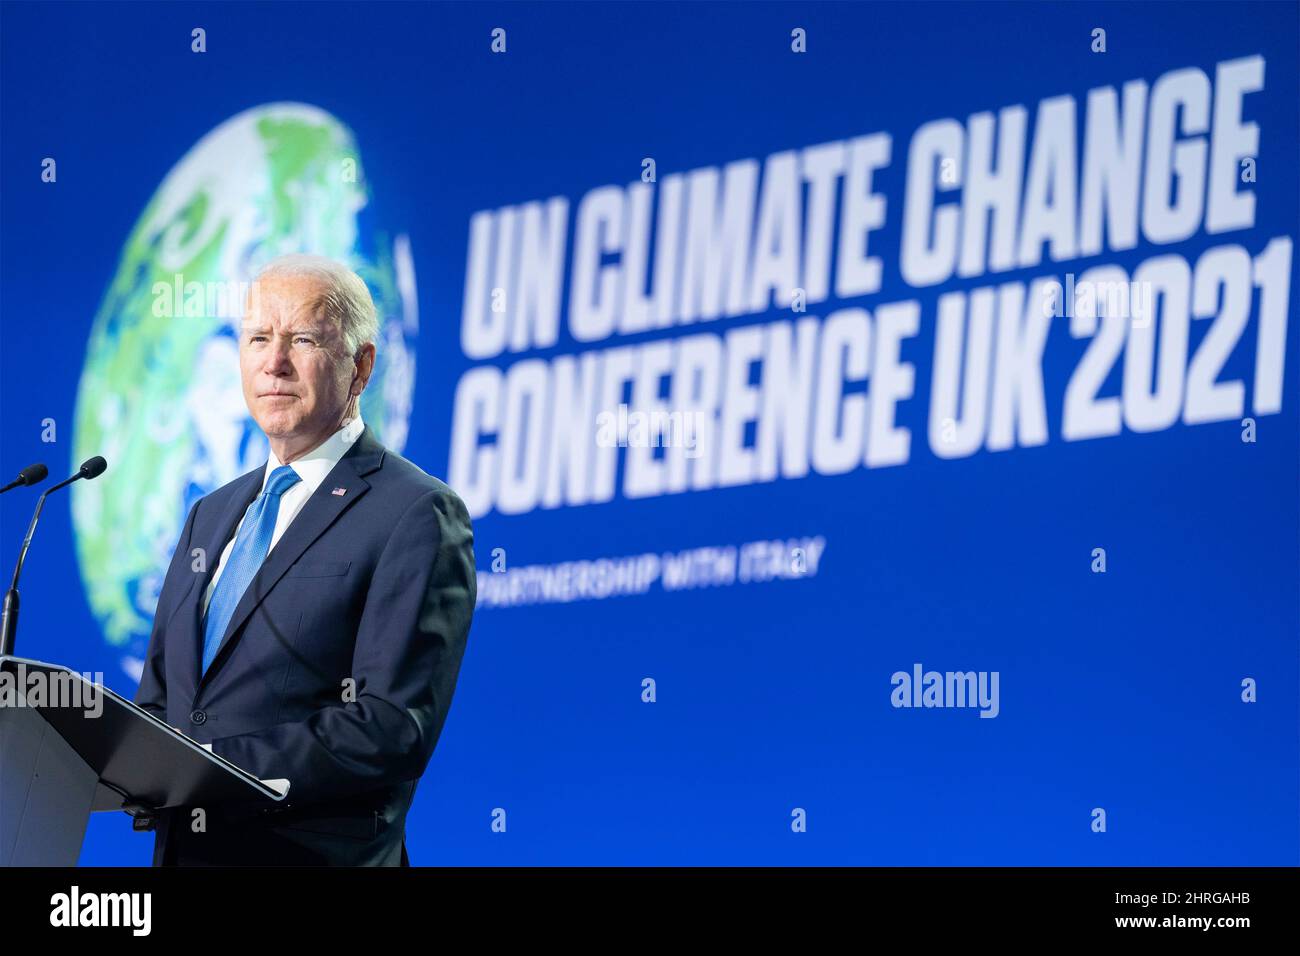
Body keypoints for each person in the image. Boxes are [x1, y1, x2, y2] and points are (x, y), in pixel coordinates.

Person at [134, 254, 476, 865]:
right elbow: (163, 702)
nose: (274, 362)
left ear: (361, 366)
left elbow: (393, 726)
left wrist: (211, 770)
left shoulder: (415, 513)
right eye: (258, 338)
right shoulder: (209, 516)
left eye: (302, 339)